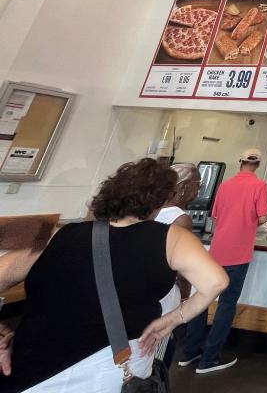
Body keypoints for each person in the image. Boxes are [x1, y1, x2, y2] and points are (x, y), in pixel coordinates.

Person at [0, 158, 227, 393]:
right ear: (159, 200)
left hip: (30, 370)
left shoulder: (59, 235)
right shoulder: (171, 238)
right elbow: (216, 282)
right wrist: (173, 320)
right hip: (109, 370)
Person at [181, 149, 267, 374]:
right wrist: (248, 226)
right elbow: (263, 217)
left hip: (216, 251)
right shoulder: (259, 186)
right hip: (239, 254)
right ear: (258, 164)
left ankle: (189, 352)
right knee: (227, 304)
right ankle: (209, 359)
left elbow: (216, 215)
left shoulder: (225, 185)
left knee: (202, 300)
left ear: (239, 162)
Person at [154, 163, 202, 367]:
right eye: (196, 185)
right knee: (160, 351)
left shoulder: (149, 210)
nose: (199, 190)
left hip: (145, 291)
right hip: (166, 293)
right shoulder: (180, 219)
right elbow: (183, 267)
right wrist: (184, 297)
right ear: (182, 188)